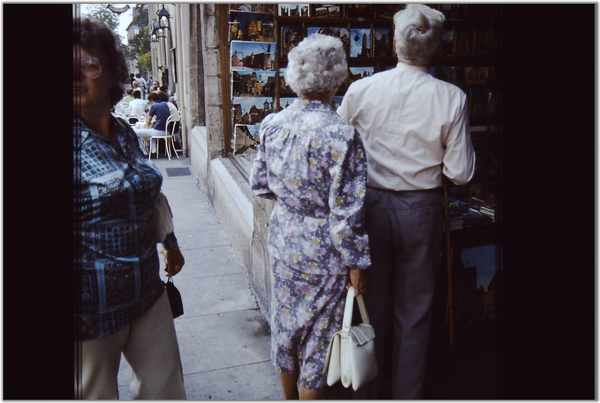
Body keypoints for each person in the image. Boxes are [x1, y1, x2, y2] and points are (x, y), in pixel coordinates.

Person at [337, 4, 476, 399]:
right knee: (414, 314)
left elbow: (341, 151)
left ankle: (369, 392)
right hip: (421, 209)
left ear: (394, 42)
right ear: (437, 49)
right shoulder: (452, 97)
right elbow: (461, 173)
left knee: (371, 306)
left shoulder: (362, 89)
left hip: (371, 207)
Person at [250, 33, 371, 400]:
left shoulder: (273, 124)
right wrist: (356, 264)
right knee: (320, 336)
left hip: (286, 239)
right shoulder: (342, 134)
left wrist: (294, 199)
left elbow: (259, 184)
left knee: (286, 325)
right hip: (325, 251)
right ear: (338, 79)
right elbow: (348, 211)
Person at [73, 17, 187, 399]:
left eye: (88, 65)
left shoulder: (123, 130)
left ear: (111, 74)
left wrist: (169, 241)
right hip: (89, 309)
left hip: (146, 291)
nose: (76, 76)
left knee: (165, 388)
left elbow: (149, 192)